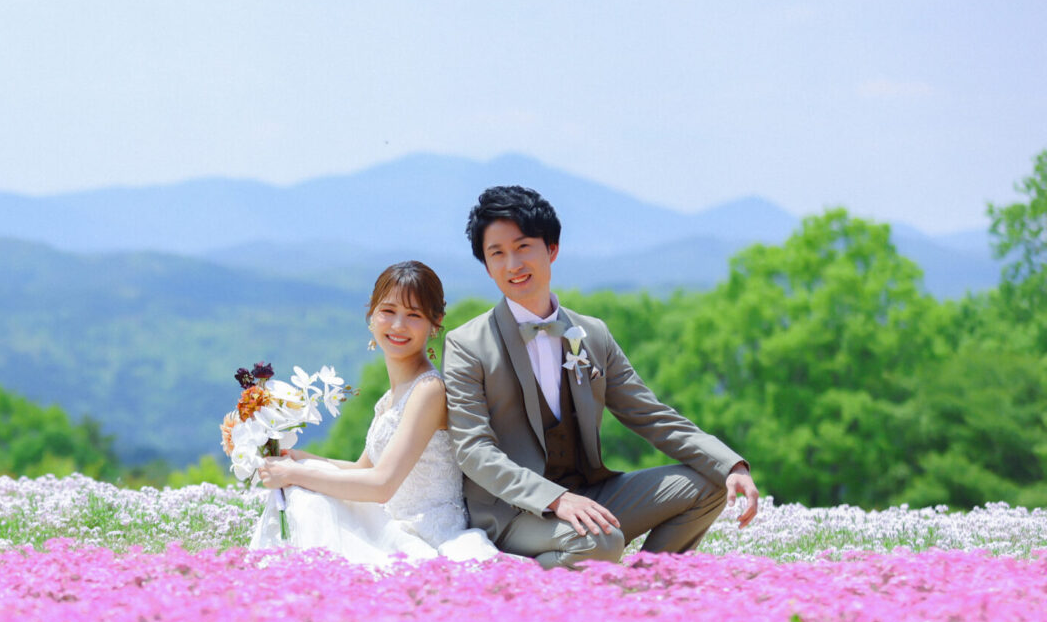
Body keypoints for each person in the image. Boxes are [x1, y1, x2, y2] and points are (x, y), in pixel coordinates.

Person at [443, 185, 759, 567]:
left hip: (590, 494)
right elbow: (474, 450)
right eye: (497, 254)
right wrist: (555, 499)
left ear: (551, 249)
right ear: (487, 265)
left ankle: (645, 585)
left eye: (523, 246)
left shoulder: (591, 335)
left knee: (710, 483)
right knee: (601, 543)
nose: (512, 264)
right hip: (514, 512)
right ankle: (531, 574)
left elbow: (650, 415)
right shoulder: (466, 344)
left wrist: (730, 464)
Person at [251, 261, 499, 565]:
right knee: (303, 490)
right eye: (388, 311)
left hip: (424, 534)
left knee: (306, 497)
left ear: (435, 323)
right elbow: (361, 469)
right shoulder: (391, 397)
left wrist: (295, 474)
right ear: (371, 316)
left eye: (414, 315)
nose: (397, 325)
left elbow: (382, 485)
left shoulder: (429, 391)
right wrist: (301, 459)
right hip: (393, 525)